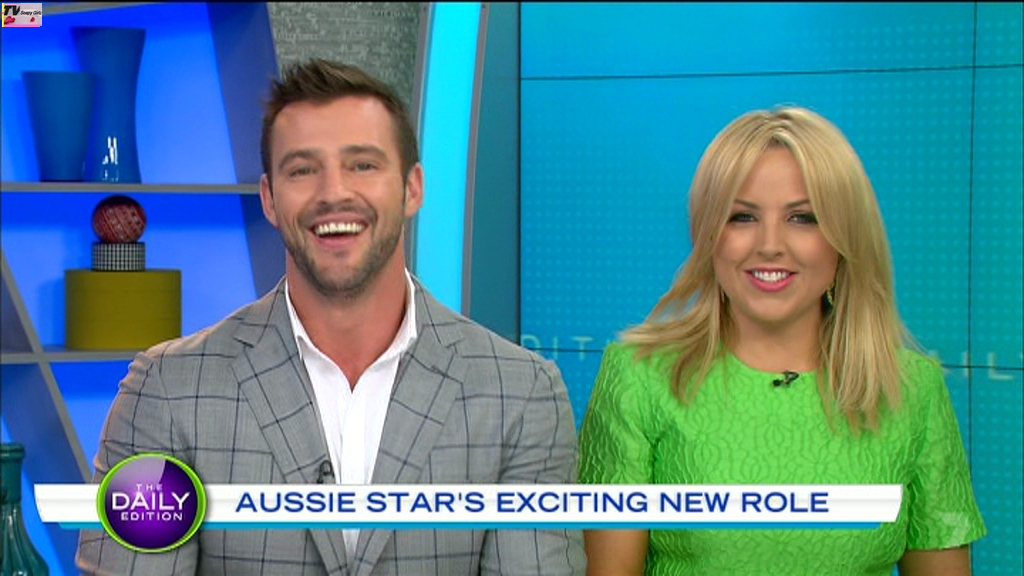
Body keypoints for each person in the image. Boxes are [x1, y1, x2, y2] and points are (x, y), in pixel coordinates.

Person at [77, 59, 585, 575]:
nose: (333, 193)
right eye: (302, 170)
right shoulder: (168, 390)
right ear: (269, 199)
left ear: (412, 188)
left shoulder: (519, 394)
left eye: (362, 165)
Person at [578, 107, 985, 575]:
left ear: (845, 238)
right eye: (742, 216)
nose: (770, 244)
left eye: (802, 218)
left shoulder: (912, 390)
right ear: (707, 235)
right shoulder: (639, 378)